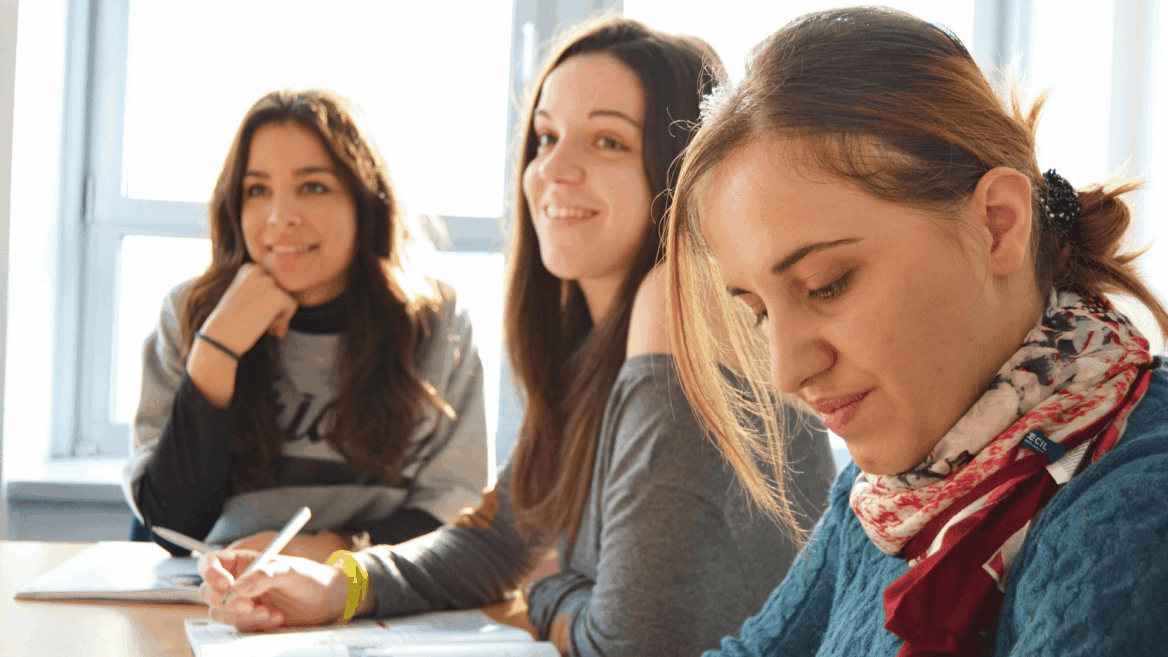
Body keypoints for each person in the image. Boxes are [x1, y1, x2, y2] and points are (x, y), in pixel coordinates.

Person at [195, 17, 836, 657]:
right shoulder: (592, 342)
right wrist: (339, 584)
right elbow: (499, 540)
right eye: (546, 136)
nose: (554, 168)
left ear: (678, 166)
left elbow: (628, 644)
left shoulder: (674, 299)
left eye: (608, 142)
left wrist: (549, 589)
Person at [664, 6, 1168, 657]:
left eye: (828, 284)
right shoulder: (897, 482)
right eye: (760, 309)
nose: (787, 370)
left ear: (999, 224)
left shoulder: (1134, 506)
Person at [122, 89, 490, 563]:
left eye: (313, 187)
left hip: (373, 591)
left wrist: (327, 551)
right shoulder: (190, 312)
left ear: (366, 202)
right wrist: (216, 349)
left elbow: (455, 510)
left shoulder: (436, 322)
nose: (280, 217)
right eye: (257, 190)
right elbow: (172, 529)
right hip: (213, 592)